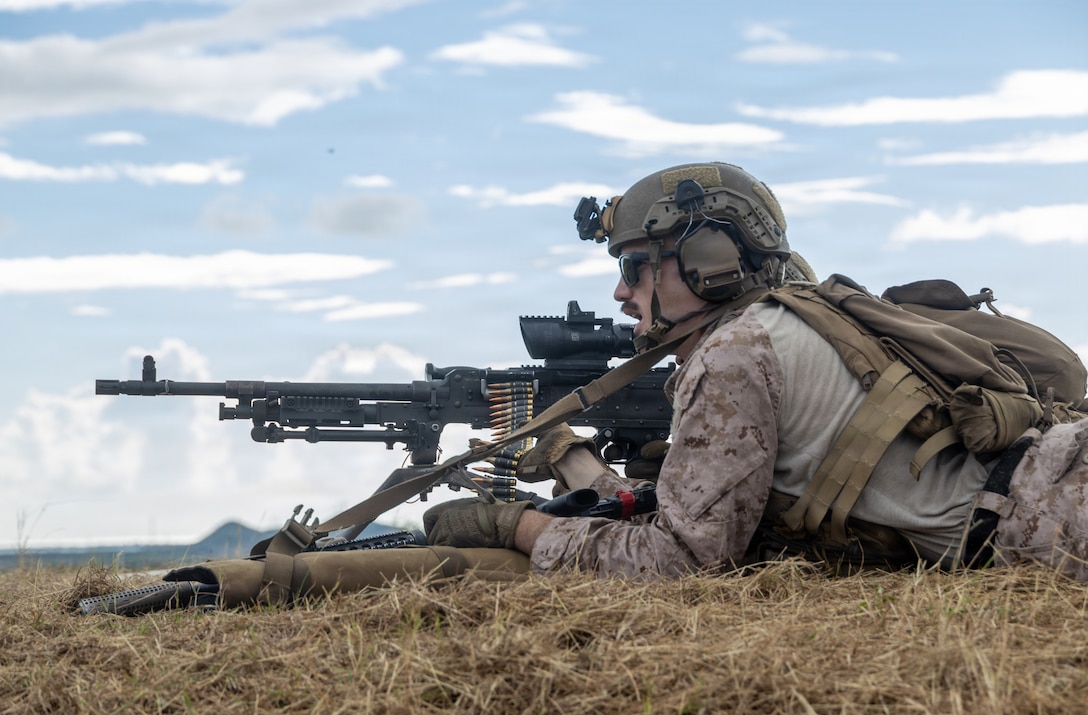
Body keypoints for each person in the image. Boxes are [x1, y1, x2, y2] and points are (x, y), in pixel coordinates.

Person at [424, 161, 1088, 581]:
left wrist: (518, 527)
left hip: (1058, 514)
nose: (621, 294)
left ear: (707, 259)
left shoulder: (735, 350)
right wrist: (576, 462)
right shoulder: (779, 322)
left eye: (634, 267)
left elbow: (683, 559)